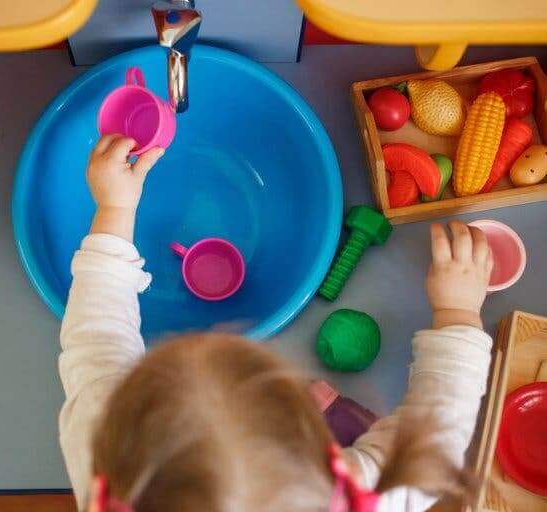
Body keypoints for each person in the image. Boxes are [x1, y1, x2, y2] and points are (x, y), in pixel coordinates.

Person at [59, 135, 494, 512]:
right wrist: (458, 312)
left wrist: (114, 209)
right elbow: (435, 442)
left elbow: (97, 337)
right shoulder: (340, 496)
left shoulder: (106, 455)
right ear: (316, 450)